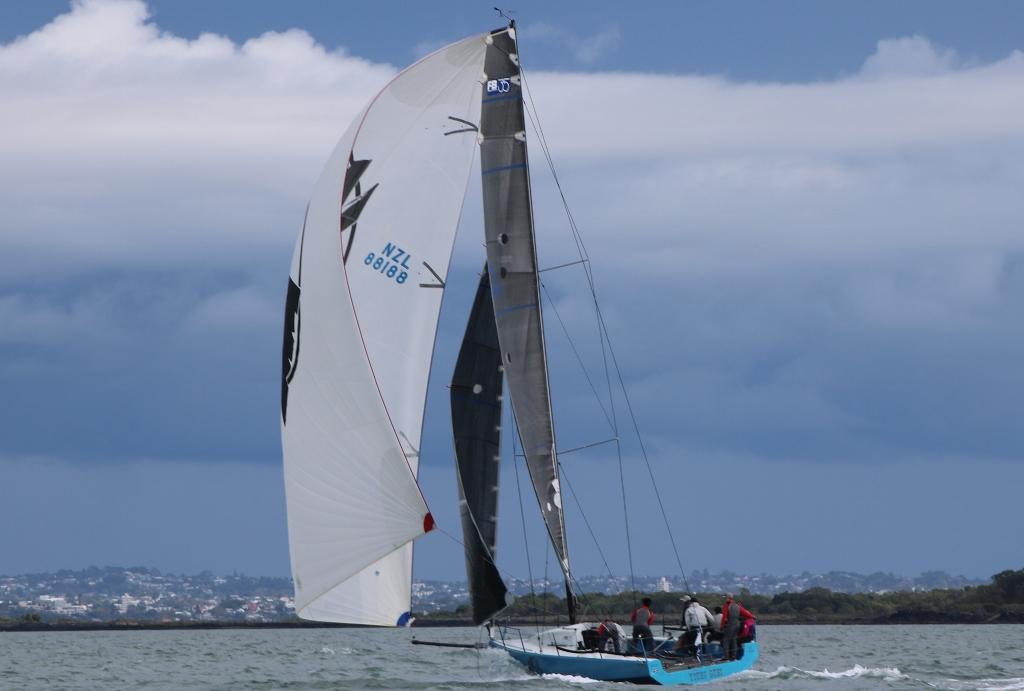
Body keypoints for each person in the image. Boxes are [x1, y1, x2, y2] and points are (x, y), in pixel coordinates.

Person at [720, 593, 755, 661]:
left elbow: (724, 617)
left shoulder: (726, 605)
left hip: (730, 624)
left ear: (727, 598)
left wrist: (722, 626)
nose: (723, 598)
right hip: (737, 624)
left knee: (726, 640)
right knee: (734, 640)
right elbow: (747, 614)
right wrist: (752, 617)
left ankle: (726, 657)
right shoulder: (737, 606)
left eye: (724, 597)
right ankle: (733, 656)